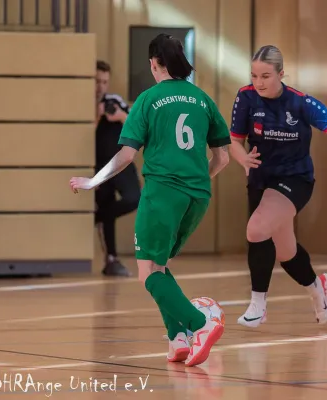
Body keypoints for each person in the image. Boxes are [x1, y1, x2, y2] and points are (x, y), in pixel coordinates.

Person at [70, 33, 230, 366]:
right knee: (159, 265)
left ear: (154, 64)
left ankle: (200, 323)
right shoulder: (202, 99)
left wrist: (93, 181)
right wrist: (198, 181)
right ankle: (177, 340)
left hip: (162, 194)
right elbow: (223, 159)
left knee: (148, 274)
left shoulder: (147, 99)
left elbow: (127, 155)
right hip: (198, 196)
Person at [229, 45, 327, 328]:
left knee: (256, 230)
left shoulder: (300, 103)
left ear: (282, 74)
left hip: (295, 179)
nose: (259, 82)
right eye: (254, 75)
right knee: (286, 253)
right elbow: (234, 139)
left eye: (266, 76)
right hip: (260, 180)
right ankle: (317, 288)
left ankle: (258, 304)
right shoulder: (245, 97)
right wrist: (242, 157)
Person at [95, 60, 141, 277]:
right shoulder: (79, 105)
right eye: (96, 81)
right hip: (98, 169)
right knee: (107, 208)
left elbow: (136, 122)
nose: (100, 86)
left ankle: (97, 217)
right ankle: (111, 260)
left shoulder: (114, 101)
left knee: (135, 198)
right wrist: (97, 114)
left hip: (121, 164)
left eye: (104, 82)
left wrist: (119, 116)